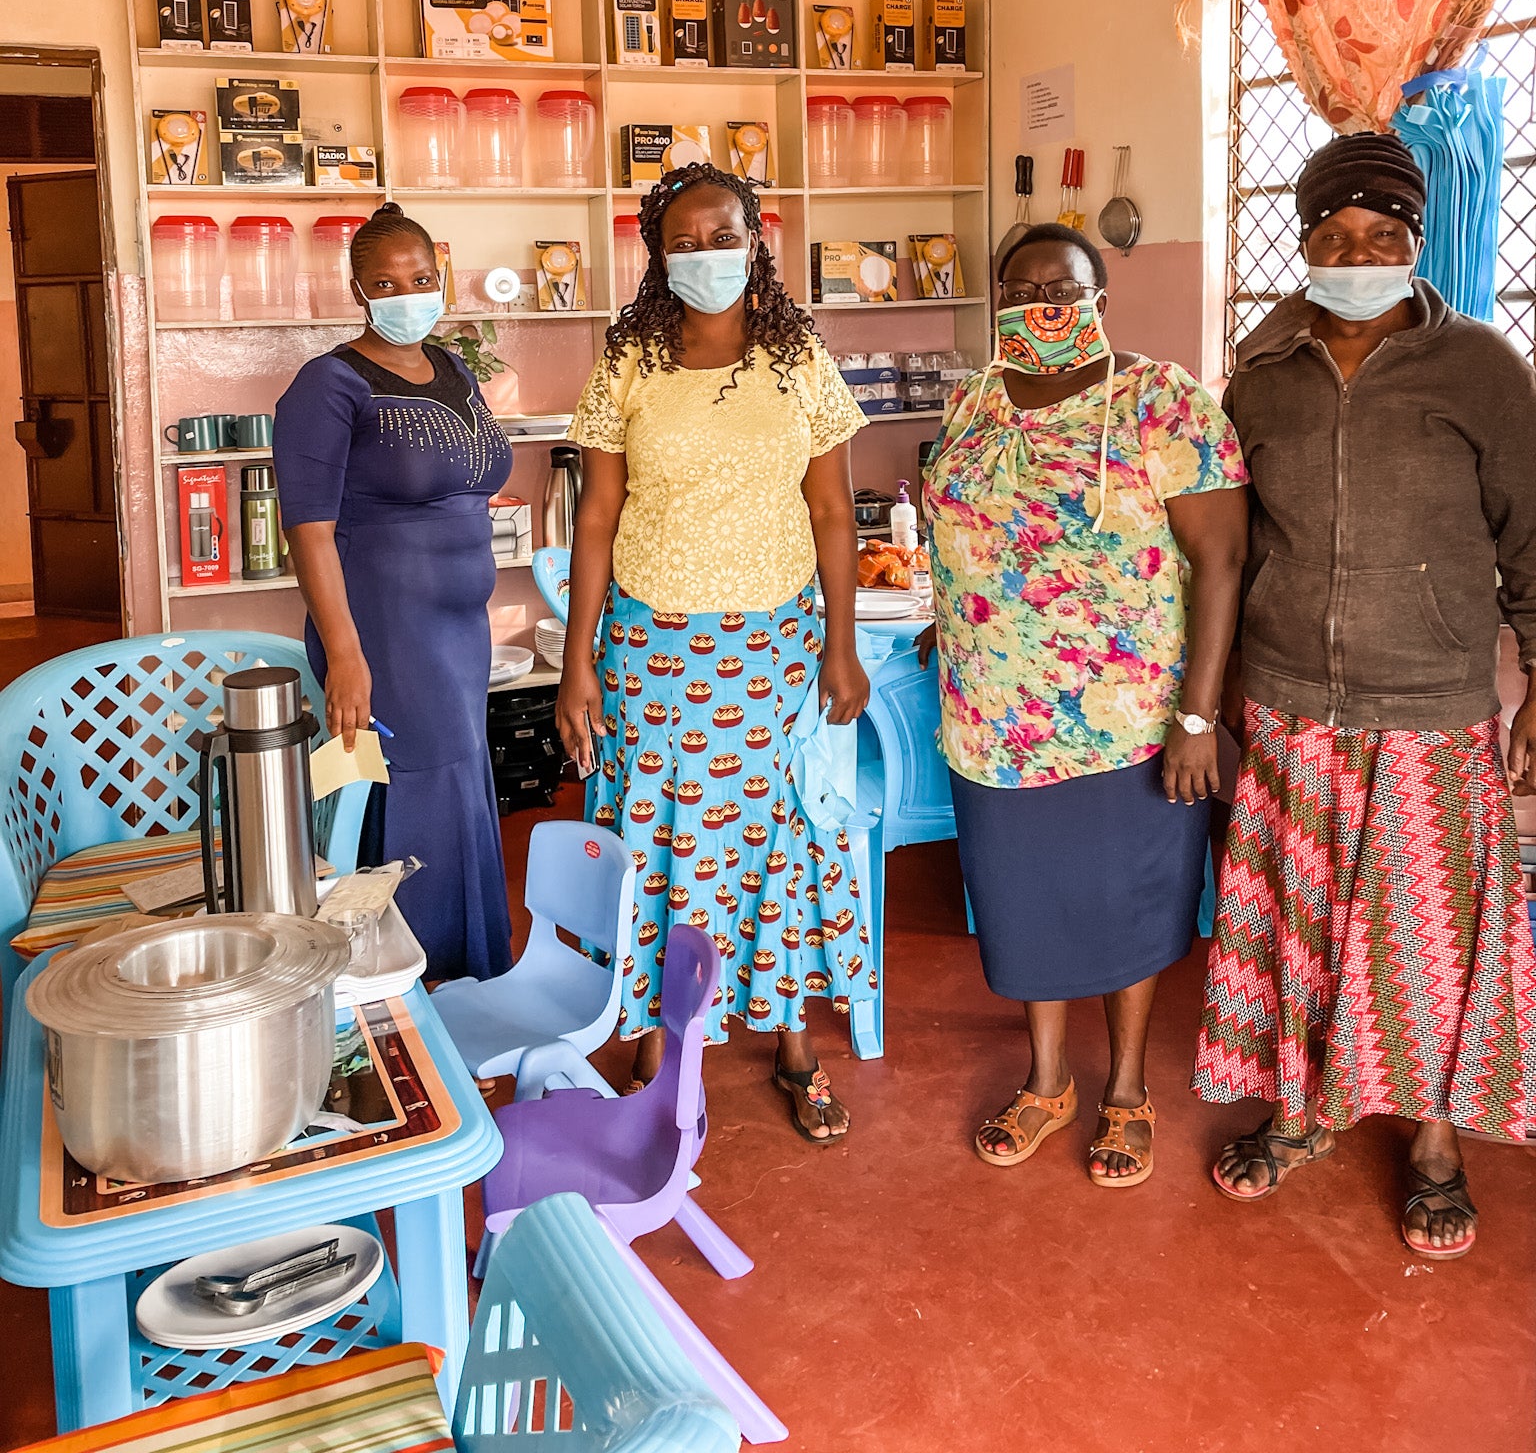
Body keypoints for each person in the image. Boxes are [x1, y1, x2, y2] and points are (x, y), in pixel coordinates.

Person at [1193, 132, 1536, 1259]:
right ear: (1305, 246)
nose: (1357, 254)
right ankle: (1300, 1110)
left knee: (1428, 938)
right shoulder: (1261, 372)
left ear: (1414, 241)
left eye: (1381, 236)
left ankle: (1435, 1142)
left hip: (1431, 701)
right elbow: (1230, 541)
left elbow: (1533, 539)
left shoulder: (1482, 367)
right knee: (1299, 926)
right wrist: (1225, 685)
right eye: (1334, 238)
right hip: (1290, 696)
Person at [918, 224, 1248, 1187]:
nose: (1040, 308)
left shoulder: (1163, 403)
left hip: (1128, 720)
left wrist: (1197, 717)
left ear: (1101, 297)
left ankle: (1128, 1091)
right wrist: (958, 616)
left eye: (1061, 289)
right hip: (993, 719)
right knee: (1023, 906)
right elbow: (966, 529)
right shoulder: (979, 400)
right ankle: (1048, 1080)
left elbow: (1219, 562)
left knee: (1127, 905)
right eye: (1019, 291)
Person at [557, 162, 870, 1143]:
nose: (706, 254)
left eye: (722, 234)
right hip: (650, 646)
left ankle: (791, 1043)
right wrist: (576, 664)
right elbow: (597, 516)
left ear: (754, 237)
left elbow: (830, 509)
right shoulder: (628, 364)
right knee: (658, 840)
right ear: (657, 252)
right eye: (683, 240)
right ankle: (659, 1044)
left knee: (772, 840)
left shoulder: (800, 358)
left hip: (774, 641)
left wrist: (842, 644)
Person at [273, 202, 514, 983]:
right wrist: (345, 654)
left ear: (439, 275)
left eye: (420, 277)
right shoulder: (328, 383)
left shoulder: (449, 366)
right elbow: (309, 529)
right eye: (386, 281)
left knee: (458, 779)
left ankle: (461, 964)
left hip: (459, 628)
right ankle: (418, 980)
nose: (407, 292)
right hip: (384, 625)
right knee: (418, 787)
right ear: (357, 289)